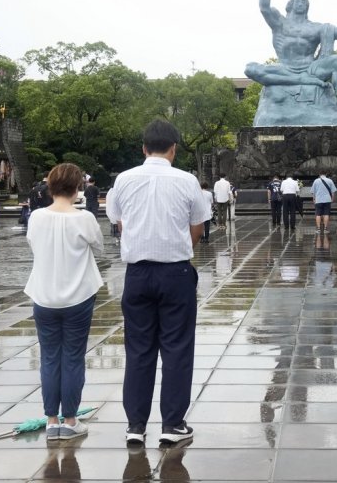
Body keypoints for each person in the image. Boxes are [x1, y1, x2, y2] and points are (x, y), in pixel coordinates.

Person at [105, 119, 210, 445]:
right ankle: (172, 424)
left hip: (136, 274)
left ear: (144, 148)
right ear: (174, 149)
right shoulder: (187, 180)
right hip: (175, 273)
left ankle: (135, 426)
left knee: (138, 350)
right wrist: (174, 248)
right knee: (177, 349)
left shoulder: (123, 179)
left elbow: (119, 222)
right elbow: (198, 228)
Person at [24, 163, 103, 441]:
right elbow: (99, 247)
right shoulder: (84, 219)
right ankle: (70, 420)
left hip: (44, 295)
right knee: (72, 356)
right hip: (78, 296)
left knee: (49, 357)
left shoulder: (36, 217)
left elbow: (33, 245)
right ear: (77, 186)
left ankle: (51, 419)